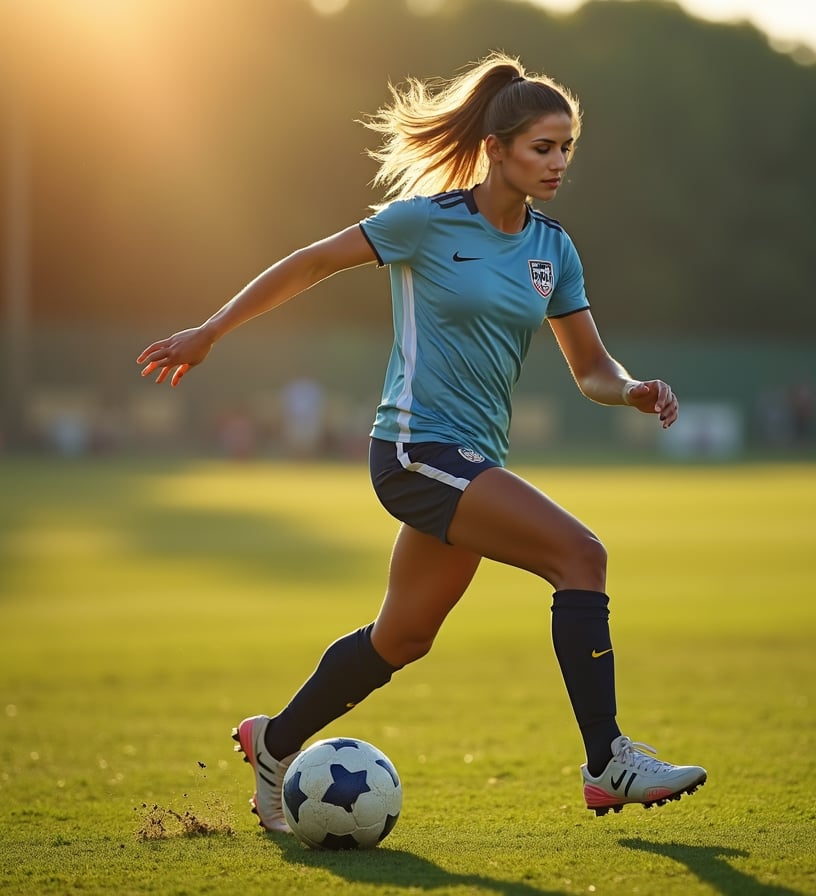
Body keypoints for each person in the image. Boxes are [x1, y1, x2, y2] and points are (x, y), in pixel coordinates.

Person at [136, 52, 706, 831]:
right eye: (543, 146)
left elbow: (591, 368)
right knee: (582, 556)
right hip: (414, 452)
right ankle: (607, 761)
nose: (558, 162)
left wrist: (632, 389)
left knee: (402, 638)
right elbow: (311, 264)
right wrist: (210, 331)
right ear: (497, 147)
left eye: (567, 147)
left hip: (471, 462)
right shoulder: (426, 222)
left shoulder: (553, 250)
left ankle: (274, 741)